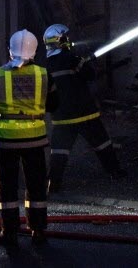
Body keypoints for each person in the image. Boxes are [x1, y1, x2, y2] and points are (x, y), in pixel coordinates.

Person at [0, 30, 58, 248]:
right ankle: (38, 230)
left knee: (7, 187)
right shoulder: (44, 74)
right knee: (36, 185)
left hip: (6, 139)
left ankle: (9, 232)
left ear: (10, 50)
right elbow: (54, 104)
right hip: (35, 138)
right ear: (35, 50)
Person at [42, 24, 126, 194]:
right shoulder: (73, 59)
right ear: (58, 41)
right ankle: (115, 172)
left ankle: (53, 183)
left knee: (59, 151)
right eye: (65, 38)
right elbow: (90, 75)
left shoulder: (45, 67)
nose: (68, 41)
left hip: (61, 118)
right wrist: (84, 62)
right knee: (102, 143)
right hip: (85, 114)